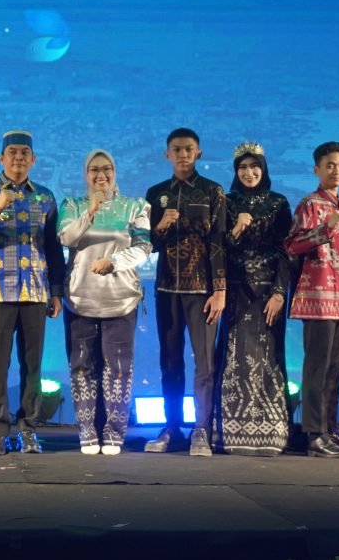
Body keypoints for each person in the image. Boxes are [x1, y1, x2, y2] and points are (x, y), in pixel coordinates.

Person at [0, 130, 65, 456]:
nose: (19, 158)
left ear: (33, 159)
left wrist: (56, 291)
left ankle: (28, 430)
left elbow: (53, 248)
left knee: (32, 365)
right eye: (13, 152)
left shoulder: (45, 197)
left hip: (35, 289)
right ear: (1, 158)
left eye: (24, 153)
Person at [57, 149, 151, 455]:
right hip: (80, 297)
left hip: (121, 297)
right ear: (86, 174)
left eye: (107, 168)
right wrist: (91, 211)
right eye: (94, 170)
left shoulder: (136, 206)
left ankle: (114, 431)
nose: (101, 175)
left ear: (114, 171)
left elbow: (143, 247)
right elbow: (67, 239)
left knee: (119, 368)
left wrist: (115, 261)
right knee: (82, 366)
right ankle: (87, 429)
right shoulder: (72, 205)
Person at [144, 128, 226, 456]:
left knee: (205, 363)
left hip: (203, 289)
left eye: (188, 149)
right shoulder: (156, 193)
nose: (182, 155)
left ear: (198, 153)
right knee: (170, 361)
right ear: (167, 154)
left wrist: (220, 289)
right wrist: (161, 225)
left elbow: (219, 241)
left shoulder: (212, 191)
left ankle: (202, 429)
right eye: (176, 150)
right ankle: (172, 428)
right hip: (166, 288)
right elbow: (148, 244)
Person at [215, 143, 293, 456]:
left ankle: (272, 432)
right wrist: (237, 227)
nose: (249, 173)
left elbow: (286, 251)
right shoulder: (227, 202)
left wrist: (279, 293)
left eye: (254, 166)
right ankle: (232, 432)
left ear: (263, 167)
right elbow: (218, 248)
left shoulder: (278, 203)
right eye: (242, 168)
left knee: (269, 358)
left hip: (268, 294)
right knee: (235, 357)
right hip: (235, 292)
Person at [285, 141, 339, 458]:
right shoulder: (310, 204)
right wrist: (324, 231)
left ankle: (328, 430)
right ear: (317, 169)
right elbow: (291, 245)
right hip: (317, 297)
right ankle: (313, 434)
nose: (336, 171)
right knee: (317, 368)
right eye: (330, 165)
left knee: (335, 368)